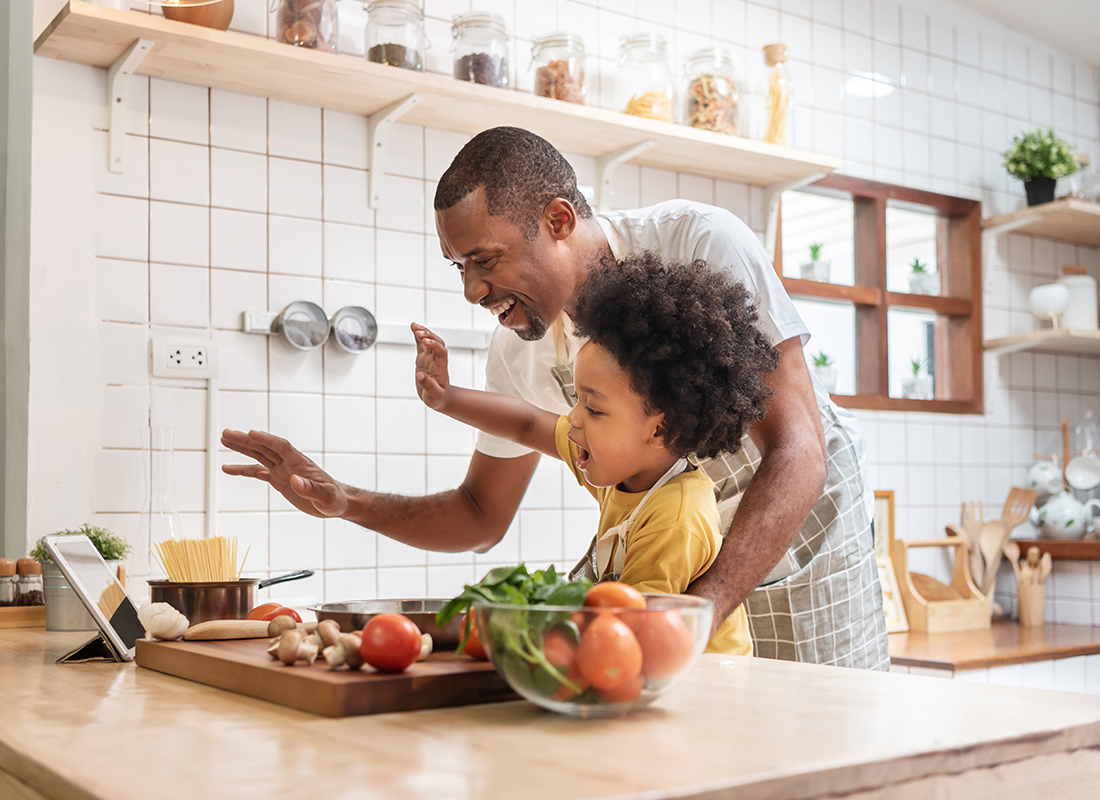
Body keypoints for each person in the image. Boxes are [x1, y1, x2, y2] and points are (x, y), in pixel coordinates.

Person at [222, 126, 890, 670]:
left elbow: (799, 449)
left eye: (485, 260)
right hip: (672, 573)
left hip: (799, 541)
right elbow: (481, 512)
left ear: (559, 219)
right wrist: (343, 501)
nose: (472, 292)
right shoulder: (518, 346)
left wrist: (706, 608)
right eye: (460, 268)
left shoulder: (698, 244)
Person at [413, 252, 779, 655]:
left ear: (659, 430)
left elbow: (632, 637)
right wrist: (448, 399)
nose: (572, 417)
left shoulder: (676, 517)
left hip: (706, 690)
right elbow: (526, 424)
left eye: (593, 407)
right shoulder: (626, 467)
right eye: (577, 399)